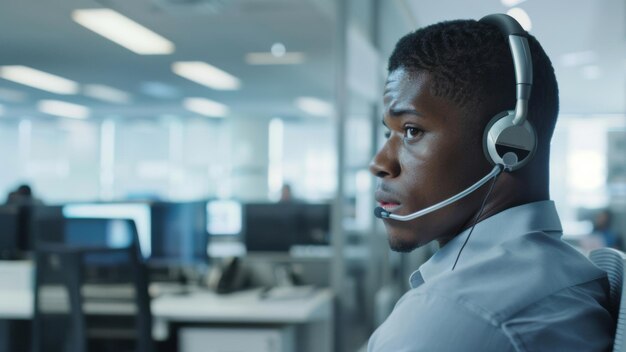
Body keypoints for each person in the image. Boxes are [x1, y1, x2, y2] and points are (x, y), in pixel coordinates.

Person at [368, 14, 614, 351]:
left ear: (508, 145)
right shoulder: (571, 273)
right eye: (388, 133)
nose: (379, 163)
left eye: (411, 131)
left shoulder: (452, 316)